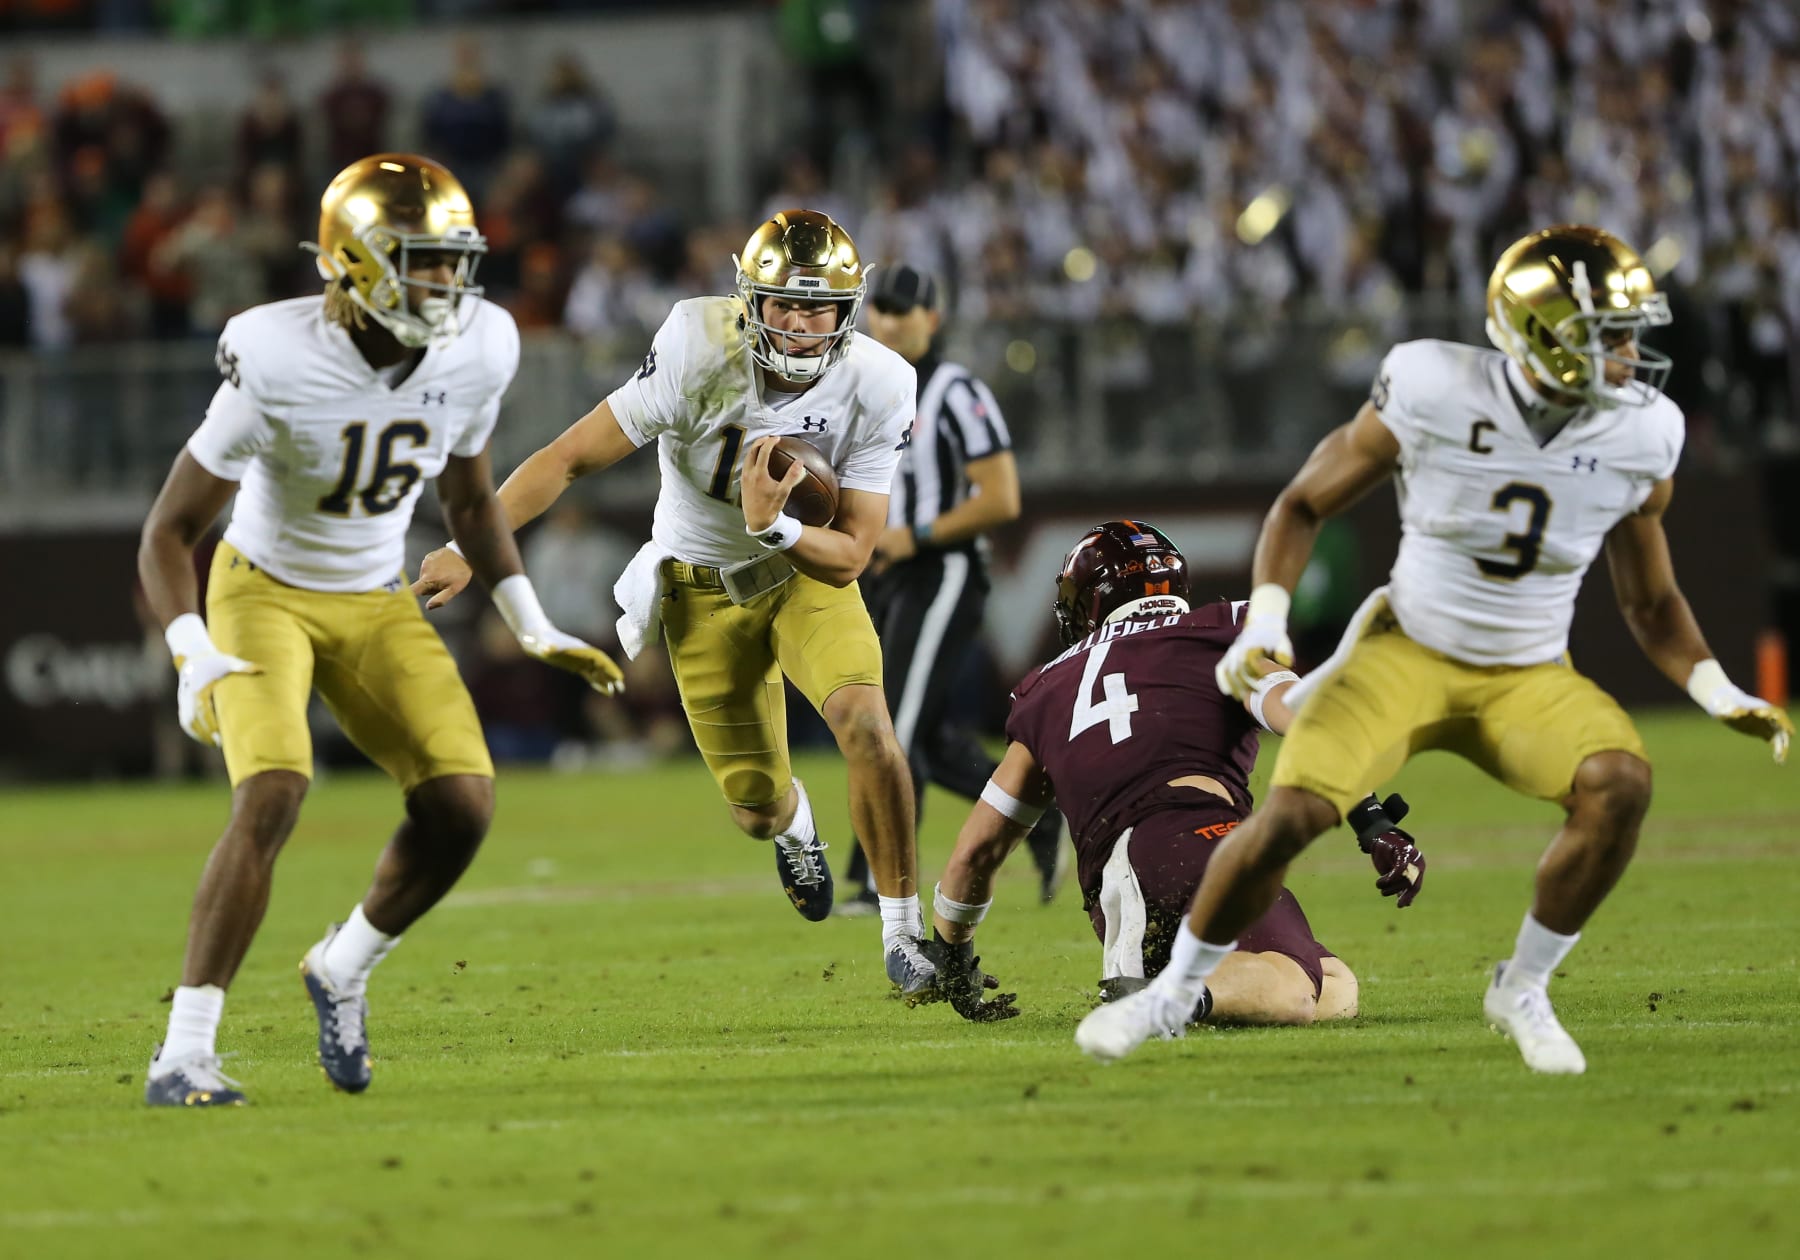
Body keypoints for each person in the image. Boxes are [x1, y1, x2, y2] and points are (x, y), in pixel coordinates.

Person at [1077, 225, 1794, 1074]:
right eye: (1612, 335)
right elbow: (1303, 505)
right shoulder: (1434, 385)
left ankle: (1522, 985)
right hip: (1404, 652)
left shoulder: (1645, 434)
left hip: (1528, 674)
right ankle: (1168, 997)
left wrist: (1718, 691)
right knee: (1294, 815)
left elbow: (1651, 599)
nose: (1633, 356)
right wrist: (1266, 626)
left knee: (1620, 784)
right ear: (1544, 334)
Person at [136, 154, 623, 1108]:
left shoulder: (481, 343)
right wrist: (190, 651)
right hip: (263, 588)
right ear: (354, 262)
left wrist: (528, 619)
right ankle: (183, 1052)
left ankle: (343, 964)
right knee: (274, 789)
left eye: (453, 262)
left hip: (374, 596)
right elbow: (169, 530)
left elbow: (471, 499)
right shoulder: (276, 355)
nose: (446, 283)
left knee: (464, 805)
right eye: (422, 261)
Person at [413, 209, 947, 996]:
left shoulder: (880, 380)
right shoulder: (699, 351)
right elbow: (567, 461)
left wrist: (776, 530)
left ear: (848, 311)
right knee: (755, 809)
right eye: (783, 305)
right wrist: (467, 550)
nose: (800, 325)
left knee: (867, 725)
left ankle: (903, 935)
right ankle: (795, 824)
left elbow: (854, 555)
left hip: (801, 579)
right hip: (700, 587)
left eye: (818, 308)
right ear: (749, 302)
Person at [921, 522, 1424, 1025]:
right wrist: (1372, 821)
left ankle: (1163, 985)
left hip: (1120, 880)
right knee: (1294, 986)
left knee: (1333, 986)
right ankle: (1161, 997)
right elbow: (1313, 720)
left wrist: (952, 953)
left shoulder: (1046, 688)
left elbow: (976, 851)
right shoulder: (1220, 637)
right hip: (1197, 843)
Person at [835, 262, 1065, 915]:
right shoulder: (861, 387)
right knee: (928, 738)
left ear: (932, 320)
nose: (888, 321)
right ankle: (1040, 816)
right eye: (879, 309)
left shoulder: (956, 391)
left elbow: (1002, 496)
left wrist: (920, 534)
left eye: (903, 311)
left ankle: (875, 882)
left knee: (892, 725)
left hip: (944, 568)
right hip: (886, 574)